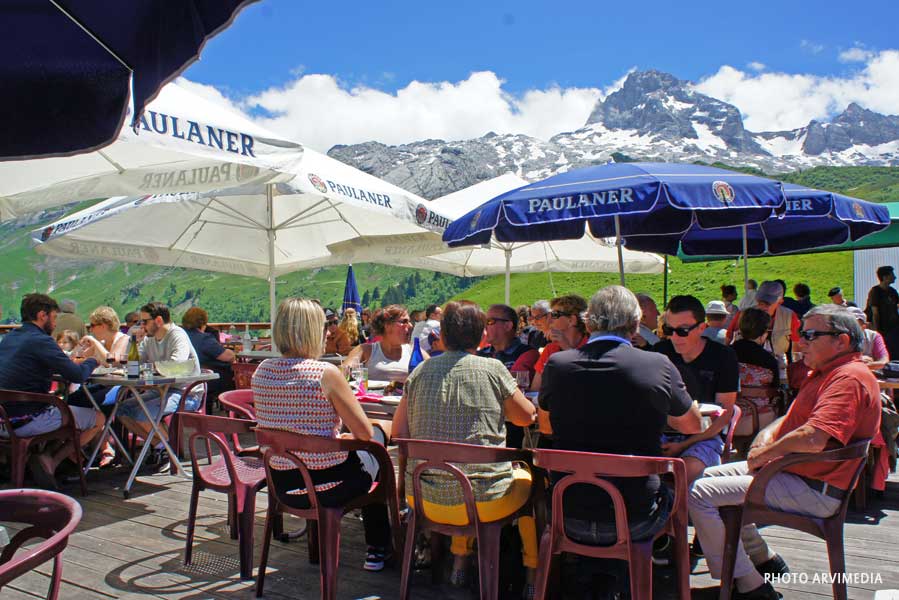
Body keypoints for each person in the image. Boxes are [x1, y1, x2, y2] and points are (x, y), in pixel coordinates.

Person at [689, 305, 882, 600]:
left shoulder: (848, 379)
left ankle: (751, 585)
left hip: (815, 487)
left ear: (841, 341)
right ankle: (761, 558)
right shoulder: (829, 372)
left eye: (809, 335)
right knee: (702, 478)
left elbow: (814, 437)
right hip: (794, 472)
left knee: (700, 494)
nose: (799, 341)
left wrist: (764, 455)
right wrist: (764, 438)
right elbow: (792, 418)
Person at [540, 286, 702, 594]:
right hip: (637, 517)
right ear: (636, 323)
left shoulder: (557, 366)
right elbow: (692, 423)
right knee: (669, 487)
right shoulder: (658, 365)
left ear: (588, 324)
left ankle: (596, 573)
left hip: (569, 513)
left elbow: (546, 428)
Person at [393, 301, 538, 596]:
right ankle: (533, 571)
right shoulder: (492, 369)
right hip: (484, 501)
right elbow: (526, 417)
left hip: (423, 498)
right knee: (532, 482)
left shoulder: (420, 372)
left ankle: (460, 560)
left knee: (462, 472)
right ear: (480, 335)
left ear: (443, 335)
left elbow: (399, 434)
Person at [253, 298, 394, 572]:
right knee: (377, 443)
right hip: (332, 485)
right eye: (324, 326)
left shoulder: (261, 372)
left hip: (284, 484)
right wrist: (382, 428)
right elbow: (363, 433)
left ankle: (374, 546)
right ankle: (379, 546)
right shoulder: (325, 374)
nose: (329, 331)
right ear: (311, 330)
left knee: (368, 449)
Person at [0, 293, 108, 487]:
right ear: (43, 315)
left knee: (65, 409)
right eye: (54, 317)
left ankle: (42, 459)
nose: (55, 322)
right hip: (27, 419)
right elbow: (77, 375)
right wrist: (92, 361)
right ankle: (51, 461)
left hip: (4, 418)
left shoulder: (9, 338)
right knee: (98, 418)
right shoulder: (41, 340)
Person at [653, 295, 739, 483]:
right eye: (669, 330)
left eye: (683, 331)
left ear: (702, 328)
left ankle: (676, 512)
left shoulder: (723, 357)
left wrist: (684, 444)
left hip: (705, 436)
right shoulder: (659, 353)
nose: (674, 337)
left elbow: (724, 415)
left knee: (686, 470)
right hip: (662, 434)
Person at [116, 302, 202, 462]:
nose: (141, 325)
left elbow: (177, 365)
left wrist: (148, 367)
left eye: (144, 321)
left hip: (186, 393)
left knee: (142, 413)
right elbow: (133, 362)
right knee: (122, 410)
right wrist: (132, 340)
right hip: (160, 390)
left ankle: (167, 452)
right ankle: (162, 446)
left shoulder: (177, 335)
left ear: (159, 320)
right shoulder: (150, 339)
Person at [479, 304, 539, 448]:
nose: (485, 326)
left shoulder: (527, 353)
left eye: (490, 322)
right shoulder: (481, 354)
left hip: (515, 426)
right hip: (485, 425)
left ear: (508, 325)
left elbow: (515, 387)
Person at [530, 295, 590, 440]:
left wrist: (566, 347)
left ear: (572, 320)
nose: (550, 319)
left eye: (556, 315)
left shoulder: (591, 346)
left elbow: (587, 385)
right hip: (551, 420)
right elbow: (535, 389)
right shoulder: (550, 349)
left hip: (583, 424)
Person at [727, 281, 801, 373]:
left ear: (780, 301)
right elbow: (728, 339)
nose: (763, 306)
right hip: (745, 370)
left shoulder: (789, 316)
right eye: (760, 302)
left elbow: (797, 348)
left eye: (768, 303)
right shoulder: (744, 314)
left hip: (778, 369)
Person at [343, 304, 414, 385]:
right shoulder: (366, 350)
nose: (411, 326)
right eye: (404, 321)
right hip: (373, 396)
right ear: (387, 325)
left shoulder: (414, 351)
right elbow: (343, 374)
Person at [182, 306, 236, 406]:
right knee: (234, 377)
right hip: (207, 379)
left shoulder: (182, 335)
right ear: (203, 323)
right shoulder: (204, 339)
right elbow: (227, 356)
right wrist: (233, 352)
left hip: (188, 378)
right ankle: (233, 407)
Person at [732, 308, 779, 388]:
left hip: (727, 400)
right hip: (760, 400)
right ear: (764, 333)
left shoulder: (728, 353)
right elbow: (775, 387)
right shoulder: (769, 361)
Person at [865, 266, 899, 338]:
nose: (895, 277)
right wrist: (877, 332)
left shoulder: (893, 291)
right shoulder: (875, 292)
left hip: (893, 328)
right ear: (885, 277)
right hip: (883, 329)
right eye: (892, 275)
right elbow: (875, 313)